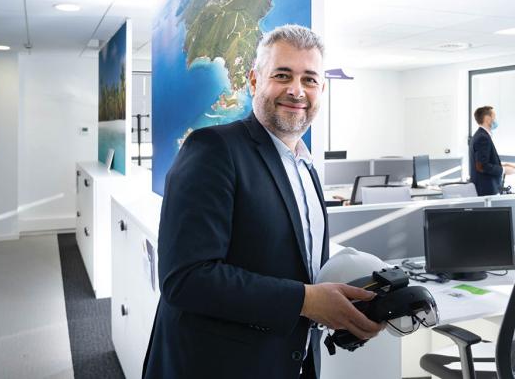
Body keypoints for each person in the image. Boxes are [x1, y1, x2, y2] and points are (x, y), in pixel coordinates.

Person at [142, 25, 384, 379]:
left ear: (322, 89)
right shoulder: (213, 149)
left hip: (287, 361)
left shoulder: (306, 165)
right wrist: (305, 300)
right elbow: (186, 278)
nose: (296, 90)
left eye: (309, 79)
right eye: (282, 75)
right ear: (255, 81)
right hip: (214, 366)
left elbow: (292, 263)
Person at [469, 106, 515, 196]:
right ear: (487, 119)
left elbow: (483, 161)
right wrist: (504, 170)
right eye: (494, 117)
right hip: (486, 189)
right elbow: (481, 166)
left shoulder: (480, 135)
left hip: (485, 188)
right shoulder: (483, 137)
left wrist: (502, 165)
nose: (496, 120)